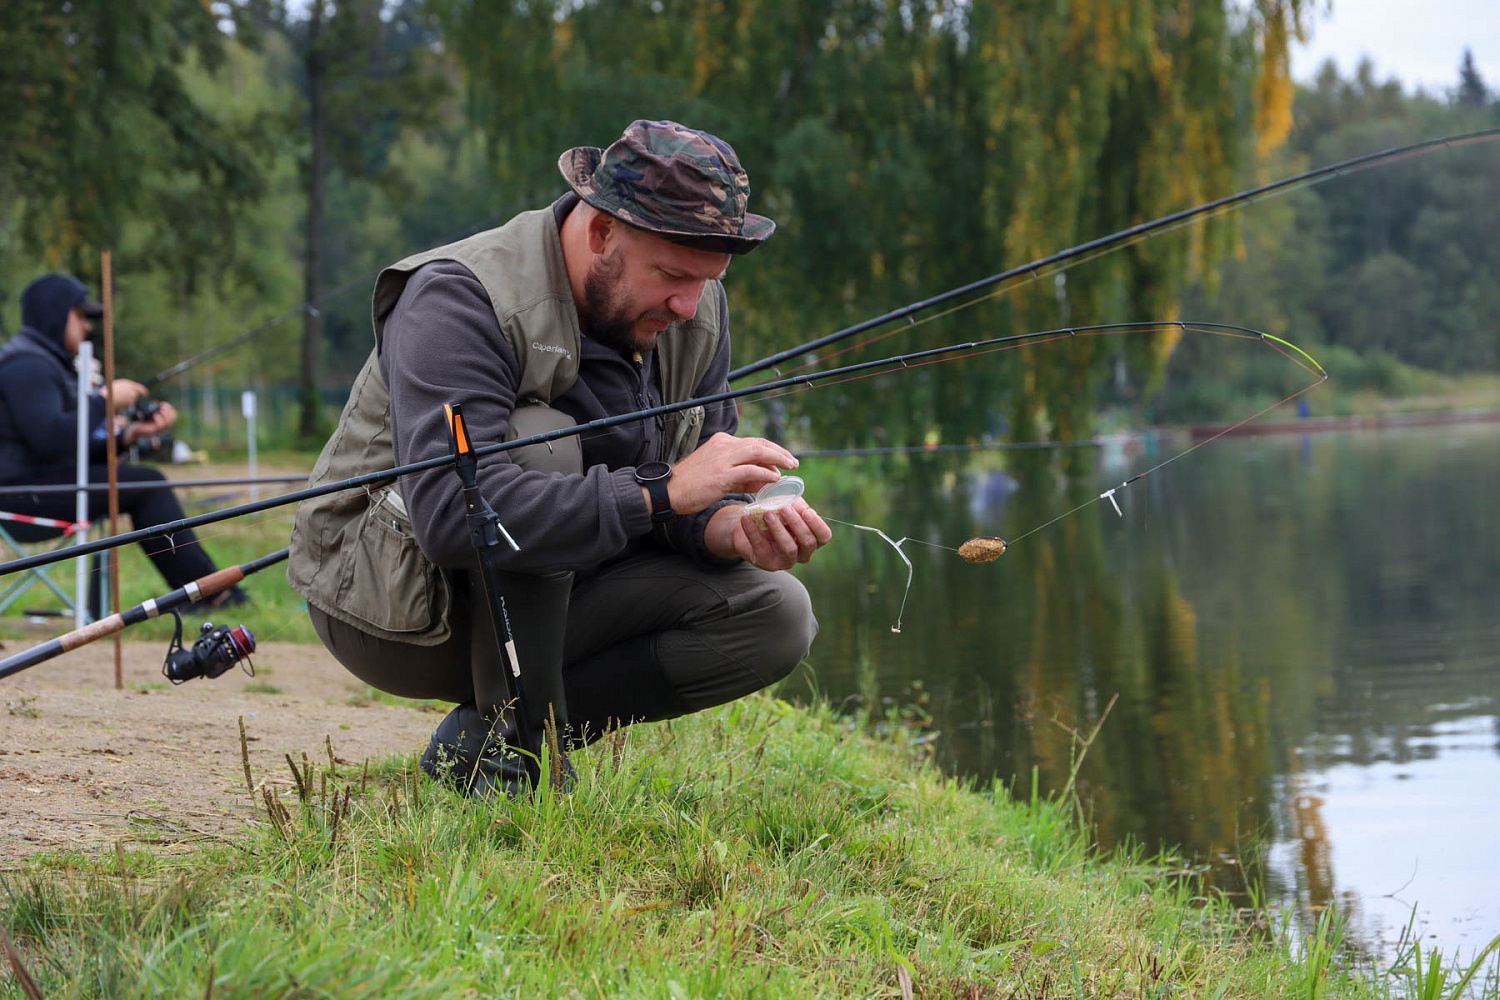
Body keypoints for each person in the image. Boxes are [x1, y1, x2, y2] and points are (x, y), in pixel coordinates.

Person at [289, 119, 831, 796]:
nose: (687, 305)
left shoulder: (692, 310)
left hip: (566, 592)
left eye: (706, 280)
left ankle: (484, 741)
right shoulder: (458, 297)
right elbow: (460, 518)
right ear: (601, 232)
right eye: (670, 275)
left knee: (777, 616)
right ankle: (519, 754)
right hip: (403, 609)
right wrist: (663, 492)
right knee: (541, 442)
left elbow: (688, 488)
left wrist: (726, 525)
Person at [0, 272, 246, 612]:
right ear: (55, 313)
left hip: (41, 486)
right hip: (19, 498)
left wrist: (128, 435)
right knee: (147, 483)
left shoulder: (44, 363)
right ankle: (207, 592)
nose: (87, 326)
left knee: (143, 480)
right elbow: (51, 440)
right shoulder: (26, 365)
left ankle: (204, 590)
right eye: (80, 315)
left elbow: (68, 448)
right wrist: (105, 400)